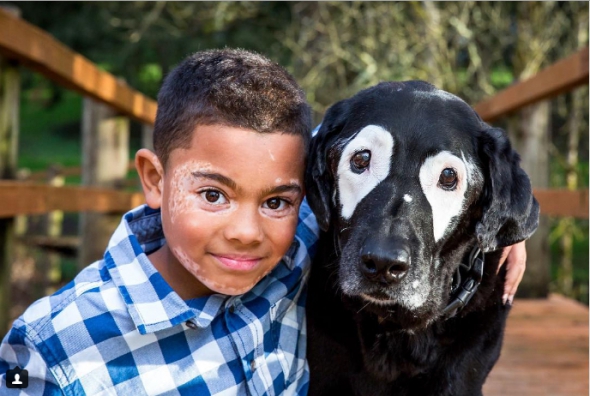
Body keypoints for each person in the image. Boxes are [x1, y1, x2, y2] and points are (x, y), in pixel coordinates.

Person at [0, 48, 527, 395]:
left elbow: (360, 146)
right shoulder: (53, 345)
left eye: (277, 201)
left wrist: (499, 223)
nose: (247, 231)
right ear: (154, 180)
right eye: (212, 194)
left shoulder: (287, 247)